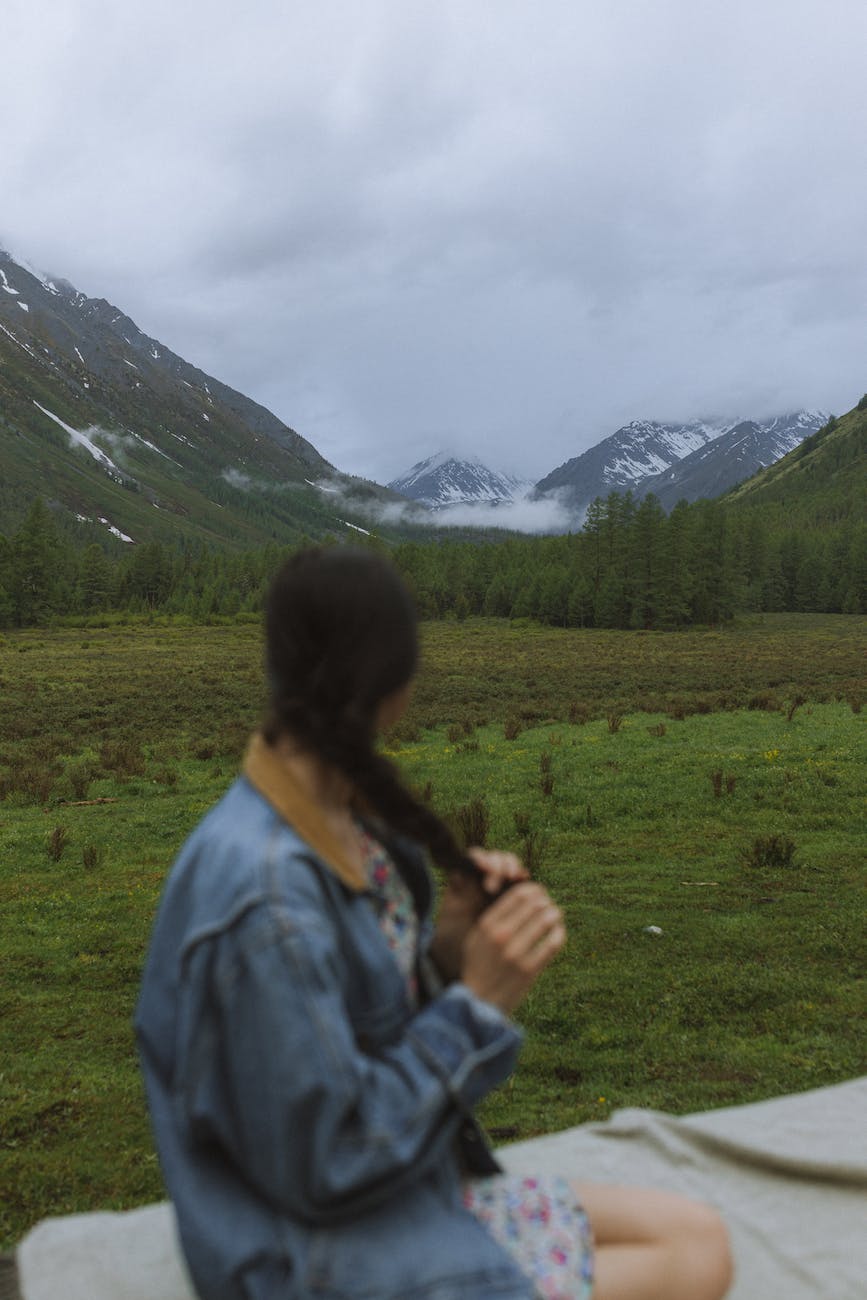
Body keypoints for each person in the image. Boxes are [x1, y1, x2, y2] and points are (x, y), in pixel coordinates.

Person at [136, 547, 732, 1300]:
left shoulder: (334, 822)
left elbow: (344, 1027)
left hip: (369, 1202)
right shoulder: (267, 902)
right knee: (696, 1261)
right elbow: (332, 1158)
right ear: (396, 686)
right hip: (301, 1253)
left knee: (695, 1232)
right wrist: (476, 1006)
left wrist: (447, 954)